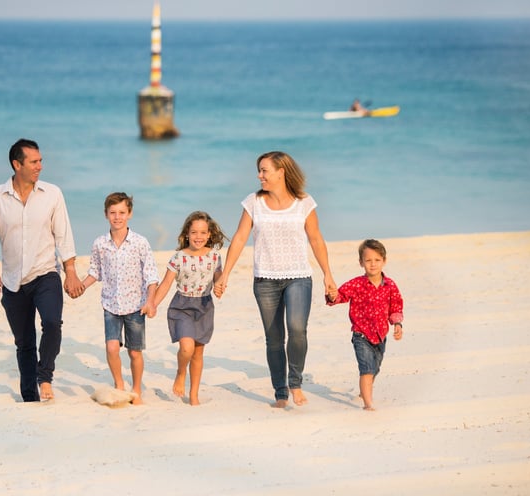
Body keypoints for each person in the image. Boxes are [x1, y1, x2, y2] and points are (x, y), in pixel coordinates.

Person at [214, 151, 337, 408]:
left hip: (299, 276)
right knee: (273, 337)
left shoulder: (304, 202)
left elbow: (316, 239)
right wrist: (225, 273)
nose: (260, 176)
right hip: (265, 279)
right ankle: (280, 392)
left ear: (281, 171)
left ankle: (295, 382)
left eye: (264, 170)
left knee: (297, 329)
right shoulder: (253, 202)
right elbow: (239, 238)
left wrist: (327, 274)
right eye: (259, 171)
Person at [0, 138, 84, 403]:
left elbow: (64, 236)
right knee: (24, 343)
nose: (40, 166)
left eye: (40, 161)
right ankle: (29, 398)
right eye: (34, 162)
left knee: (51, 323)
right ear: (17, 164)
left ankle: (45, 375)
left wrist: (70, 271)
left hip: (46, 272)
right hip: (13, 281)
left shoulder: (53, 194)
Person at [80, 192, 159, 405]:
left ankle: (136, 389)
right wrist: (81, 286)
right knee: (112, 348)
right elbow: (95, 272)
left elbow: (152, 275)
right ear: (106, 215)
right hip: (111, 305)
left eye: (122, 212)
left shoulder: (140, 242)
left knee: (135, 352)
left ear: (129, 214)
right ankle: (119, 385)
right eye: (113, 213)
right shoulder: (100, 244)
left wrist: (150, 301)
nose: (117, 217)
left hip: (136, 306)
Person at [151, 211, 227, 406]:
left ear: (209, 234)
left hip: (204, 306)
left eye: (203, 233)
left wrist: (219, 285)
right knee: (187, 348)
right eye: (194, 232)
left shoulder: (214, 257)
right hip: (182, 306)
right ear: (186, 234)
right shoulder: (178, 257)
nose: (198, 237)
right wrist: (152, 304)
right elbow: (166, 283)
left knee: (198, 353)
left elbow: (218, 277)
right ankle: (180, 372)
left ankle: (194, 394)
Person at [326, 239, 404, 411]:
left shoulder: (390, 286)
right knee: (367, 369)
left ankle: (364, 390)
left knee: (375, 368)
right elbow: (340, 296)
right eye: (368, 260)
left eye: (377, 260)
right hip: (361, 335)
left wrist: (397, 325)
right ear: (361, 262)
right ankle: (368, 404)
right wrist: (333, 295)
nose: (373, 264)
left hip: (381, 335)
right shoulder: (356, 284)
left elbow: (396, 306)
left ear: (384, 261)